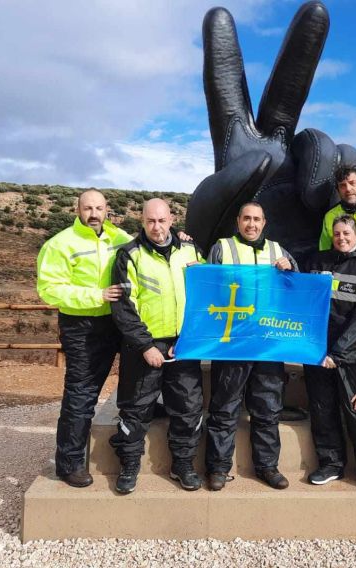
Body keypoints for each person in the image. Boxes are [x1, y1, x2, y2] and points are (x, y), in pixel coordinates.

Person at [36, 189, 133, 488]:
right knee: (81, 395)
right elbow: (49, 289)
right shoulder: (60, 244)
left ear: (107, 210)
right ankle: (69, 463)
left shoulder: (121, 238)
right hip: (83, 325)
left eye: (99, 208)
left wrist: (181, 238)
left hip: (118, 320)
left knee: (135, 382)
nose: (94, 214)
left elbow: (152, 249)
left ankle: (129, 452)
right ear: (77, 209)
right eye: (88, 208)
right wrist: (96, 295)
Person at [109, 198, 204, 494]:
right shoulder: (129, 255)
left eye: (162, 220)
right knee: (135, 408)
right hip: (144, 347)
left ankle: (183, 465)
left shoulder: (192, 251)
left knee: (187, 408)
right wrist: (145, 346)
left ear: (171, 219)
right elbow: (123, 306)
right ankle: (129, 466)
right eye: (151, 221)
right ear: (142, 221)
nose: (157, 227)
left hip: (183, 345)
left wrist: (191, 338)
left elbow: (205, 299)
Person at [204, 201, 298, 491]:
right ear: (238, 221)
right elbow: (209, 287)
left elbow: (297, 287)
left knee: (268, 409)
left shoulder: (278, 250)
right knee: (224, 408)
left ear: (264, 222)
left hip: (268, 344)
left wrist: (291, 268)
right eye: (247, 218)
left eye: (257, 219)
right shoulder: (222, 248)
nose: (252, 224)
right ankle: (218, 469)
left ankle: (267, 467)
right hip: (233, 344)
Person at [302, 215, 356, 492]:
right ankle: (331, 464)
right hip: (316, 354)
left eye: (346, 233)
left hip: (350, 359)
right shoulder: (317, 262)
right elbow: (298, 296)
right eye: (337, 233)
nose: (341, 238)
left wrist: (337, 353)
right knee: (322, 412)